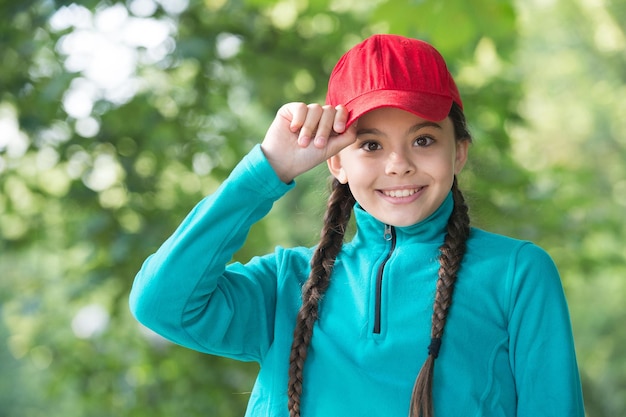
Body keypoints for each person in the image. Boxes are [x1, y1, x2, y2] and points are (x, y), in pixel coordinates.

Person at [129, 34, 585, 417]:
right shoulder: (285, 285)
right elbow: (160, 303)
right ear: (336, 162)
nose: (398, 165)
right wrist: (266, 170)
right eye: (370, 145)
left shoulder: (517, 273)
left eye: (423, 139)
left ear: (459, 152)